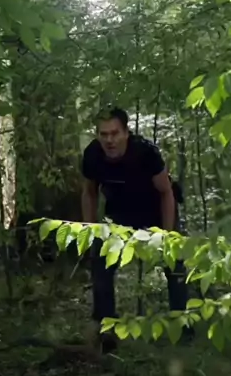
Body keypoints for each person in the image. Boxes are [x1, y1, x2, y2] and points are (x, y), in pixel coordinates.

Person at [81, 107, 189, 351]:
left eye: (114, 133)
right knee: (100, 260)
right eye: (103, 134)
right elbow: (89, 193)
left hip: (156, 211)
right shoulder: (92, 154)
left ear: (126, 132)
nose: (109, 140)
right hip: (119, 215)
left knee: (175, 264)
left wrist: (167, 236)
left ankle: (182, 326)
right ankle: (106, 329)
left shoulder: (146, 153)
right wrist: (89, 229)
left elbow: (166, 193)